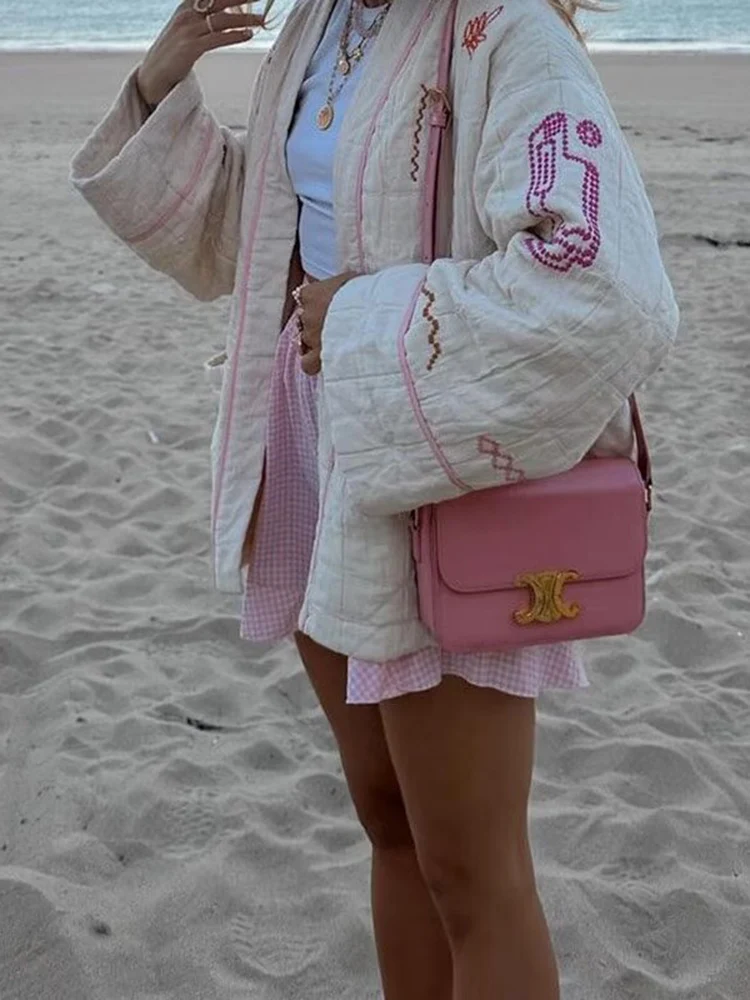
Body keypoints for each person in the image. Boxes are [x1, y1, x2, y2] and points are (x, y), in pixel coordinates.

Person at [70, 1, 678, 997]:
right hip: (314, 446)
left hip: (439, 460)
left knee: (474, 873)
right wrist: (157, 84)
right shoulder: (323, 23)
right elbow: (263, 231)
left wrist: (362, 321)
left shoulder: (508, 34)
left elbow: (609, 288)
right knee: (391, 824)